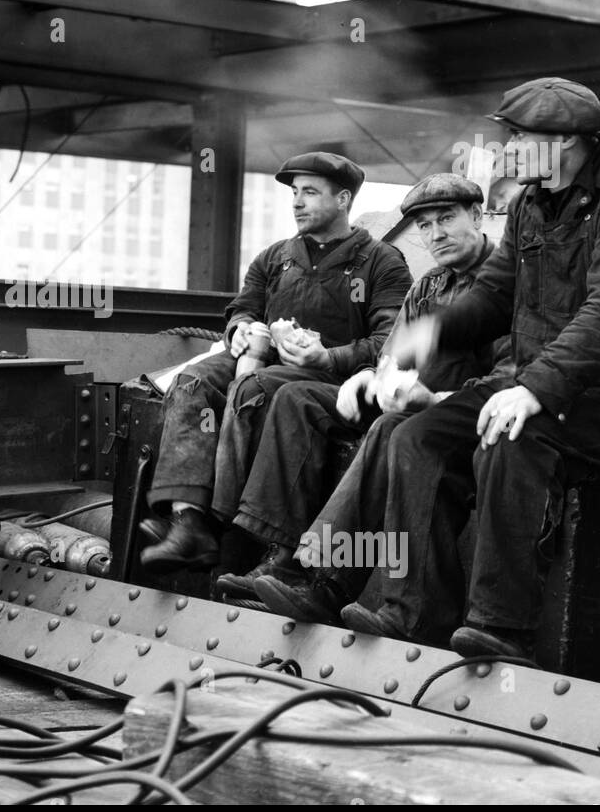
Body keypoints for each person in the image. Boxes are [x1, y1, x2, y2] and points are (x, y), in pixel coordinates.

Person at [341, 77, 600, 660]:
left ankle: (500, 627)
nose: (507, 149)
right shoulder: (529, 206)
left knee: (513, 434)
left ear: (565, 141)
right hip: (556, 386)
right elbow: (491, 296)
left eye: (519, 138)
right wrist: (420, 338)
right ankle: (415, 613)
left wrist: (535, 387)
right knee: (417, 437)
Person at [231, 173, 503, 617]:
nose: (436, 235)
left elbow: (509, 378)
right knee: (298, 398)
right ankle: (285, 561)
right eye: (426, 226)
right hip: (409, 403)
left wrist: (432, 401)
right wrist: (368, 379)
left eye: (447, 219)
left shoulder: (504, 286)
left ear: (477, 215)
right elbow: (392, 358)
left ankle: (327, 584)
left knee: (390, 430)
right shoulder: (430, 285)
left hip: (466, 416)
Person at [139, 152, 413, 575]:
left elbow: (390, 342)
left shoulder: (381, 262)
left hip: (332, 377)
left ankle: (226, 528)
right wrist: (242, 329)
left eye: (310, 192)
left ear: (343, 199)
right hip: (264, 362)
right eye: (294, 193)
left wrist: (328, 355)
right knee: (194, 380)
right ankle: (188, 518)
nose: (297, 202)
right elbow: (242, 308)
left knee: (256, 389)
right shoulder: (274, 258)